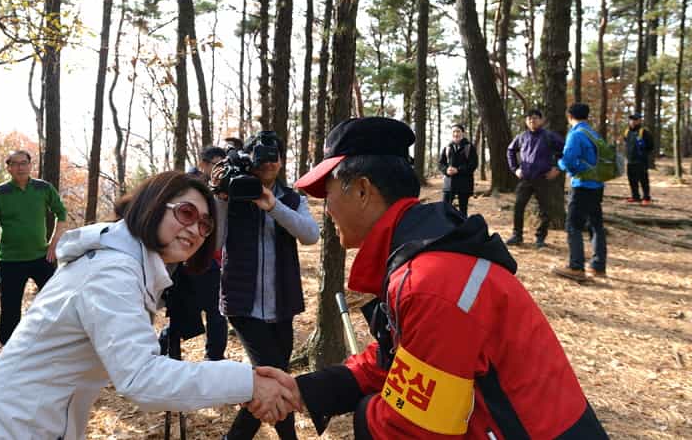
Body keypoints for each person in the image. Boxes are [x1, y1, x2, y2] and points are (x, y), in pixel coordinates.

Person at [244, 116, 608, 439]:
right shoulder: (423, 253)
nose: (327, 211)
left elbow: (411, 430)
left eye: (329, 195)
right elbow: (397, 360)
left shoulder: (430, 283)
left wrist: (365, 415)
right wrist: (303, 390)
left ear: (362, 190)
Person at [0, 172, 300, 439]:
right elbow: (141, 379)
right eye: (185, 212)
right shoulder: (111, 271)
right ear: (152, 207)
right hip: (11, 427)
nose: (195, 229)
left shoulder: (126, 265)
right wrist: (246, 382)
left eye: (205, 224)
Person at [212, 130, 320, 440]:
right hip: (242, 303)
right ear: (249, 160)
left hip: (282, 304)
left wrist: (273, 206)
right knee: (275, 375)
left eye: (276, 156)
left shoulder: (292, 198)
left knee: (276, 379)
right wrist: (221, 199)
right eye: (262, 156)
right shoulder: (233, 198)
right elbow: (216, 242)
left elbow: (310, 235)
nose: (270, 162)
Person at [0, 150, 68, 345]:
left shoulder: (43, 188)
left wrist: (54, 242)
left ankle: (55, 343)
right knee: (10, 308)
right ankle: (8, 349)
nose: (21, 167)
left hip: (42, 257)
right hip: (10, 260)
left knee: (56, 302)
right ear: (9, 168)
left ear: (30, 165)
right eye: (16, 164)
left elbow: (61, 213)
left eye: (24, 163)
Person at [159, 145, 229, 361]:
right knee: (180, 314)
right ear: (203, 164)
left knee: (217, 314)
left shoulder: (225, 189)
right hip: (182, 265)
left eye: (223, 163)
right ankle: (169, 356)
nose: (220, 168)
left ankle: (214, 358)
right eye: (216, 163)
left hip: (212, 263)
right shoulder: (188, 185)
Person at [553, 103, 608, 282]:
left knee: (573, 225)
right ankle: (598, 266)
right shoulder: (594, 134)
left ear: (570, 116)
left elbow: (568, 160)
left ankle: (576, 267)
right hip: (597, 185)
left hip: (582, 185)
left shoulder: (576, 134)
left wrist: (560, 166)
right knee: (595, 225)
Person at [505, 108, 564, 248]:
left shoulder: (550, 136)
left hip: (543, 178)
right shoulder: (521, 137)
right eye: (529, 118)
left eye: (535, 118)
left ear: (541, 120)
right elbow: (510, 151)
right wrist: (515, 169)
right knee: (518, 206)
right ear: (526, 121)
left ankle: (540, 238)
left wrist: (558, 168)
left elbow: (566, 151)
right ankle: (517, 235)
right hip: (525, 178)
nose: (532, 120)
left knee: (545, 209)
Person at [438, 124, 478, 217]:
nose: (456, 134)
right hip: (449, 184)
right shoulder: (447, 147)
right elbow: (440, 163)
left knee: (463, 210)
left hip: (464, 184)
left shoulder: (469, 147)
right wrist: (446, 170)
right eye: (454, 132)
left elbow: (473, 165)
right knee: (444, 209)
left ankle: (463, 229)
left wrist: (458, 170)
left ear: (463, 133)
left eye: (458, 131)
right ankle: (445, 229)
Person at [623, 113, 654, 205]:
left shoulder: (644, 132)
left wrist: (643, 154)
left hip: (641, 161)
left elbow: (650, 146)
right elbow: (626, 142)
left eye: (635, 120)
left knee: (643, 180)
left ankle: (646, 198)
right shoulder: (627, 131)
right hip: (630, 160)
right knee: (632, 180)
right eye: (631, 119)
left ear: (639, 120)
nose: (632, 121)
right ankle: (635, 196)